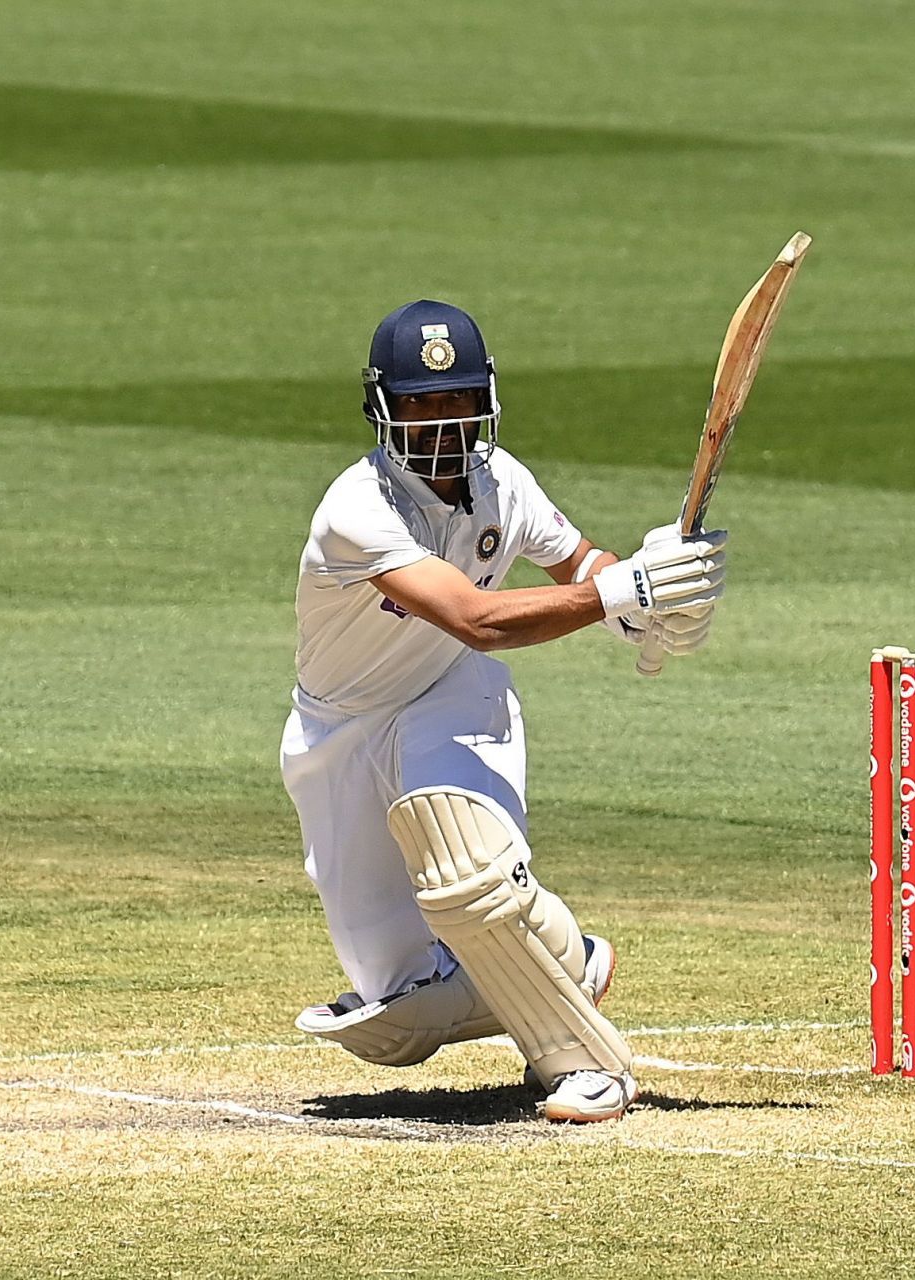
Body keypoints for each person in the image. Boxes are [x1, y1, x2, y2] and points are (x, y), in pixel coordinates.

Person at [282, 299, 724, 1121]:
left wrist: (644, 592)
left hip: (451, 692)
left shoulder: (502, 482)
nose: (440, 423)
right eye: (419, 404)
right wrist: (618, 593)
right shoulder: (357, 508)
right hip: (338, 728)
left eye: (455, 403)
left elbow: (579, 562)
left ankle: (578, 1062)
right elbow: (477, 617)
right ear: (383, 409)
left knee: (466, 871)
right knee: (401, 1014)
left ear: (484, 401)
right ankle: (564, 957)